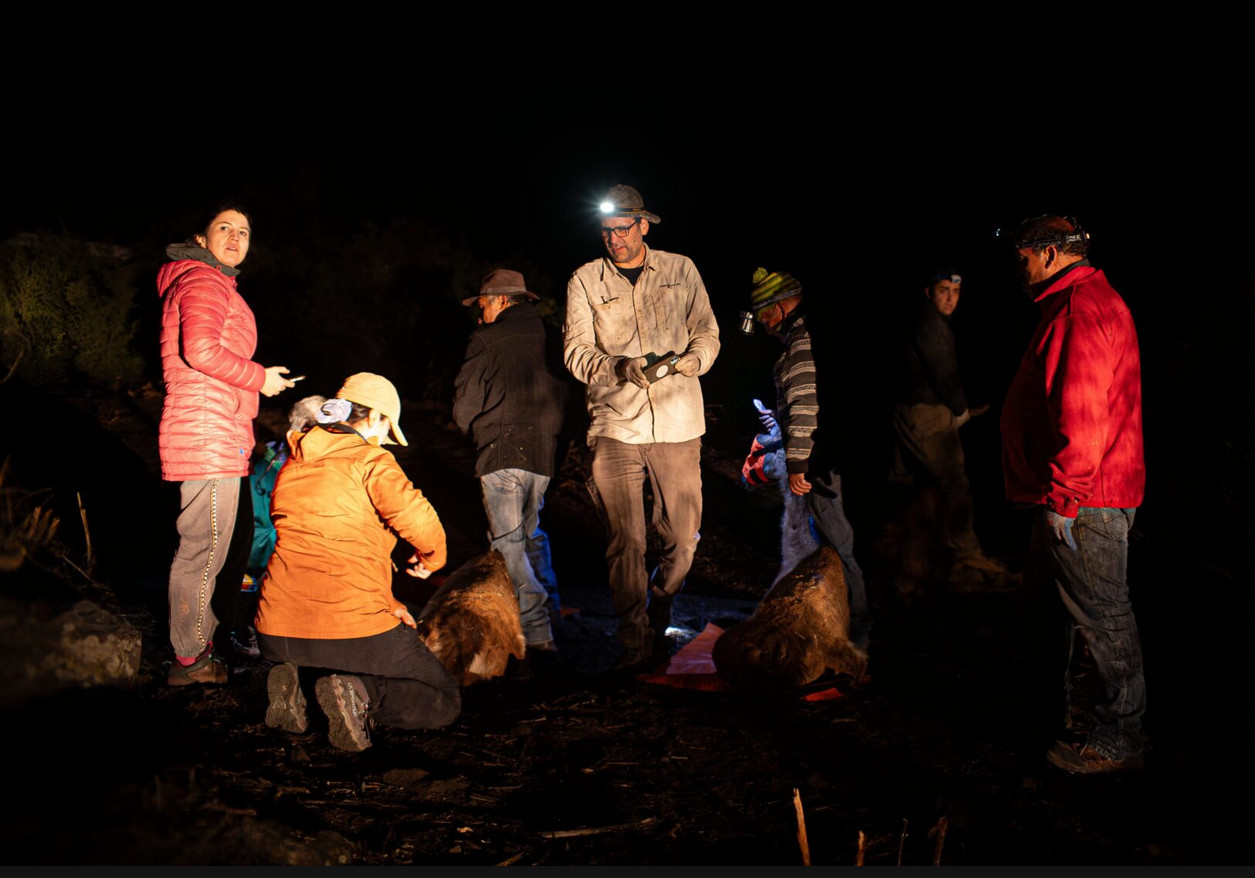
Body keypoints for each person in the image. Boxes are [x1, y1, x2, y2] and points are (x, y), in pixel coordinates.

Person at [1001, 214, 1147, 774]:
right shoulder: (1088, 301)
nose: (1020, 269)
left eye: (1024, 258)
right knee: (1048, 610)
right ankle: (1043, 715)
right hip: (1083, 489)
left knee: (1104, 615)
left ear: (1052, 254)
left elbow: (1082, 414)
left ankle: (1122, 737)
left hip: (1085, 497)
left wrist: (1066, 496)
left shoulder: (1077, 311)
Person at [255, 373, 461, 752]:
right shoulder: (369, 458)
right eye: (387, 428)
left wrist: (390, 604)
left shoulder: (296, 462)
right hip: (346, 625)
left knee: (327, 658)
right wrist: (434, 558)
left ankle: (297, 688)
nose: (385, 440)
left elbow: (329, 549)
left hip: (275, 628)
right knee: (443, 698)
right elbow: (419, 519)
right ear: (376, 417)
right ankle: (360, 694)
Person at [563, 184, 720, 671]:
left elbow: (707, 330)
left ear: (644, 225)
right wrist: (618, 367)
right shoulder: (585, 280)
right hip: (615, 423)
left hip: (678, 422)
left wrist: (698, 359)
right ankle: (634, 638)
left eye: (623, 229)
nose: (614, 239)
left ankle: (662, 603)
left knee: (683, 536)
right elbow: (575, 352)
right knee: (625, 539)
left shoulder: (681, 269)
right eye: (606, 231)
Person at [157, 203, 296, 686]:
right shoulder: (203, 280)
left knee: (219, 547)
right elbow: (200, 350)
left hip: (219, 430)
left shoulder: (213, 281)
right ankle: (191, 660)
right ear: (201, 238)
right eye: (224, 228)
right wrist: (260, 378)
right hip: (206, 430)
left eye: (244, 231)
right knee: (204, 549)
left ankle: (204, 648)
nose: (236, 237)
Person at [741, 267, 871, 651]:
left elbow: (804, 406)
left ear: (781, 307)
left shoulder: (800, 343)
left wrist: (798, 464)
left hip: (819, 463)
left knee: (839, 546)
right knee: (832, 544)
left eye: (764, 314)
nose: (764, 326)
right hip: (828, 457)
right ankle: (839, 627)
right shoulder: (811, 336)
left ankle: (857, 637)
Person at [452, 268, 568, 656]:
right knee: (531, 532)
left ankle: (536, 631)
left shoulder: (487, 339)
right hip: (543, 452)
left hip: (500, 450)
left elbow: (464, 404)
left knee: (507, 545)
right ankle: (552, 607)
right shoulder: (554, 337)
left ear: (501, 300)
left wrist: (473, 430)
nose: (480, 312)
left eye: (483, 304)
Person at [889, 268, 1012, 587]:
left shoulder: (928, 322)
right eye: (943, 290)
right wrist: (960, 412)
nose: (950, 298)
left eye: (955, 292)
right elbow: (945, 375)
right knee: (955, 485)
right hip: (926, 414)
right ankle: (968, 555)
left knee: (915, 485)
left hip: (909, 410)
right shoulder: (933, 326)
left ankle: (913, 561)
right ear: (929, 292)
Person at [229, 394, 328, 661]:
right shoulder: (271, 469)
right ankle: (248, 627)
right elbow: (261, 528)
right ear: (307, 428)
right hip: (262, 552)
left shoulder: (314, 463)